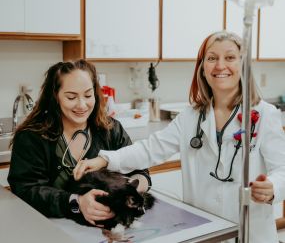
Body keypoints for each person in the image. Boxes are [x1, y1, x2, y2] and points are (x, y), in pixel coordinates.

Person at [73, 31, 285, 243]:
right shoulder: (191, 117)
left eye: (230, 57)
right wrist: (105, 159)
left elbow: (283, 170)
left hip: (250, 233)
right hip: (208, 231)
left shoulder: (265, 115)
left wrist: (272, 187)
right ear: (202, 67)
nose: (220, 65)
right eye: (212, 58)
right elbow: (150, 149)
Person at [8, 59, 151, 226]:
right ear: (56, 96)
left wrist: (130, 190)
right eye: (71, 97)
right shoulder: (32, 137)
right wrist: (75, 202)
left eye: (88, 95)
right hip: (48, 227)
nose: (82, 105)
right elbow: (25, 189)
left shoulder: (111, 129)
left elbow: (141, 170)